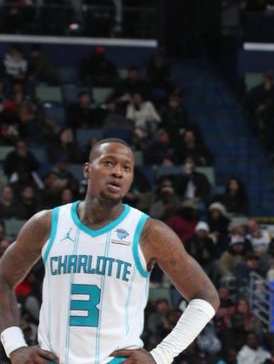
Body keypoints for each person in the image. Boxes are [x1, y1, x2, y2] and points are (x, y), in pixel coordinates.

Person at [0, 138, 219, 363]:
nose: (118, 173)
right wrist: (14, 345)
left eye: (126, 168)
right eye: (108, 163)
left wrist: (161, 356)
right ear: (87, 170)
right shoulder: (47, 223)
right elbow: (3, 278)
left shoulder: (149, 232)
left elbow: (206, 296)